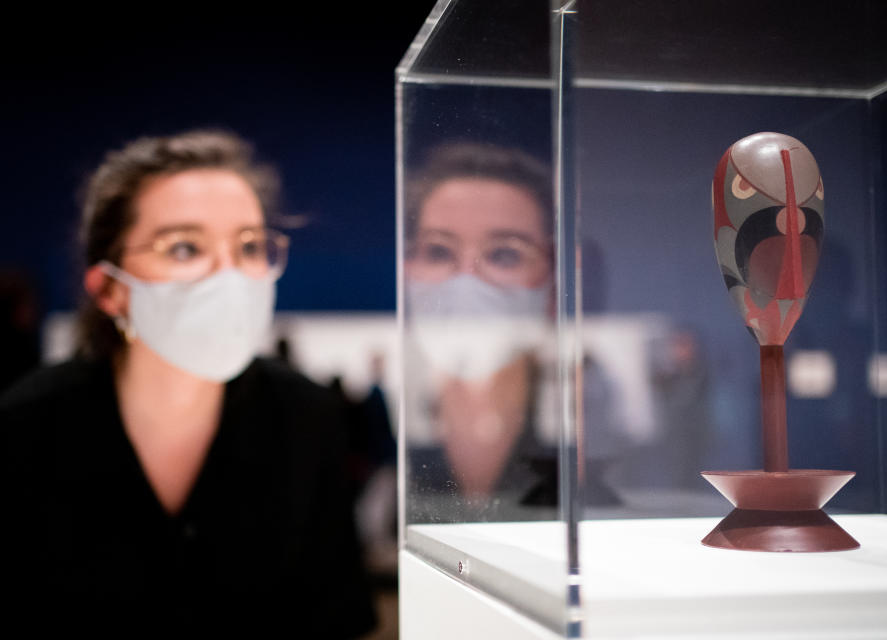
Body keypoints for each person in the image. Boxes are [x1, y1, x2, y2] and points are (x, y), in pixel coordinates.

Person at [0, 131, 376, 635]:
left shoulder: (306, 418)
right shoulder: (26, 426)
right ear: (110, 289)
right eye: (184, 248)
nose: (230, 276)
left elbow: (335, 616)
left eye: (249, 247)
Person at [403, 143, 557, 520]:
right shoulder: (395, 462)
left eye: (504, 254)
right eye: (438, 252)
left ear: (553, 276)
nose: (466, 282)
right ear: (407, 267)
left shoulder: (578, 467)